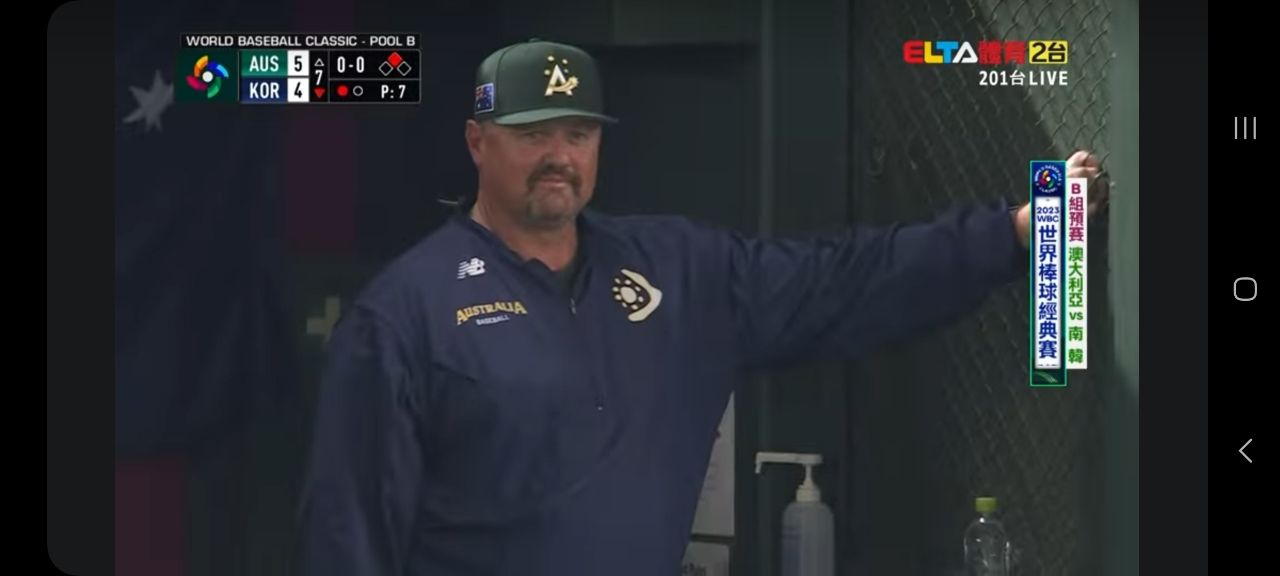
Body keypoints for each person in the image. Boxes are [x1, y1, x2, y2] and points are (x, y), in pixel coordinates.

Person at [298, 39, 1108, 575]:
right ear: (479, 142)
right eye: (533, 133)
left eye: (579, 133)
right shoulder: (404, 313)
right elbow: (347, 537)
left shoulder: (676, 270)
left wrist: (1012, 234)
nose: (559, 157)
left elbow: (846, 279)